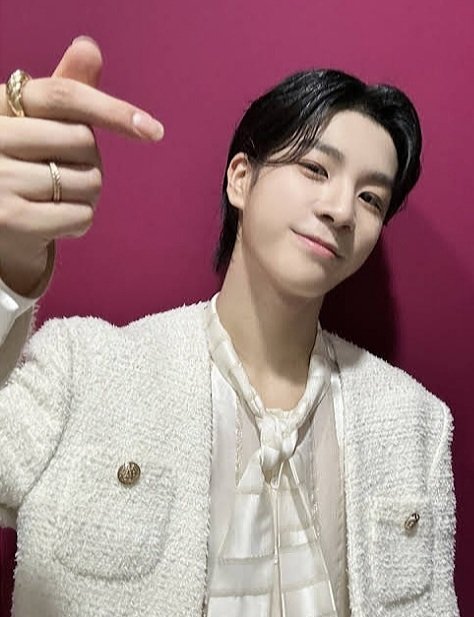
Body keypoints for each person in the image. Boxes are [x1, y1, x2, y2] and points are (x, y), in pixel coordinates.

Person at [0, 37, 459, 617]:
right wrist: (8, 266)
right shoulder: (86, 368)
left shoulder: (415, 422)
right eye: (315, 168)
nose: (342, 209)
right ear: (240, 178)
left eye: (371, 198)